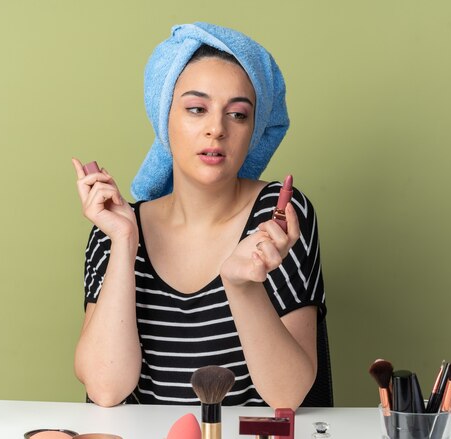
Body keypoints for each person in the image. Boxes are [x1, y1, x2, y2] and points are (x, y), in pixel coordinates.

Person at [72, 22, 326, 410]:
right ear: (164, 119)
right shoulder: (116, 228)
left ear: (254, 129)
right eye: (196, 109)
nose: (216, 129)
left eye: (238, 115)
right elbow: (107, 389)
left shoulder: (277, 216)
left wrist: (242, 287)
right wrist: (123, 243)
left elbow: (288, 395)